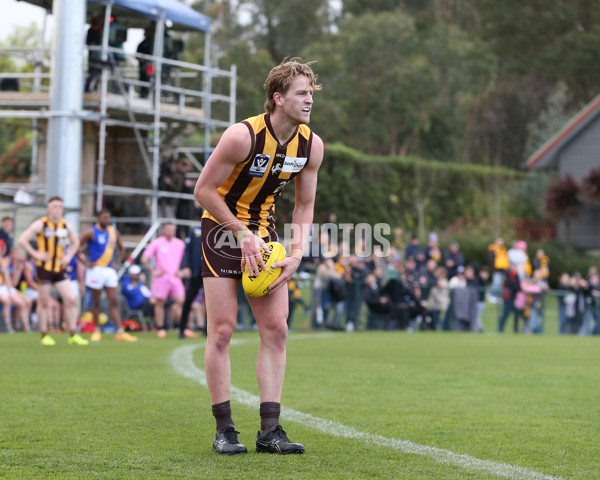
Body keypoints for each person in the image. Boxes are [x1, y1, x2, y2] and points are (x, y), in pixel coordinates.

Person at [194, 59, 323, 455]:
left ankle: (270, 431)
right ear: (277, 97)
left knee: (277, 330)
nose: (308, 101)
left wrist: (297, 255)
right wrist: (239, 232)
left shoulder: (310, 145)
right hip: (221, 229)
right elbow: (204, 190)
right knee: (223, 331)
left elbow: (304, 206)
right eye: (301, 93)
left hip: (264, 237)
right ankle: (224, 429)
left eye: (311, 94)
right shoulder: (241, 136)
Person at [17, 196, 89, 346]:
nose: (57, 209)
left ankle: (73, 333)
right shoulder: (41, 224)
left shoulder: (66, 226)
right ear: (49, 208)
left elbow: (76, 242)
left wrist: (68, 255)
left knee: (70, 299)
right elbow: (22, 240)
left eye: (60, 207)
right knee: (44, 302)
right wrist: (35, 254)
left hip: (60, 268)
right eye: (54, 206)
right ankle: (44, 334)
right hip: (44, 268)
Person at [78, 209, 137, 342]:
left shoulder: (113, 231)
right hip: (96, 269)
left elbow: (122, 248)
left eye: (108, 217)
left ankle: (119, 331)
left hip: (109, 270)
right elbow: (77, 246)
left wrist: (117, 263)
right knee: (96, 302)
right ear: (98, 218)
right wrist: (86, 263)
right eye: (104, 217)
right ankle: (96, 330)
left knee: (113, 300)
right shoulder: (91, 231)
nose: (107, 220)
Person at [141, 222, 186, 338]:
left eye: (173, 229)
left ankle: (180, 327)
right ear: (164, 230)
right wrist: (152, 270)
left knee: (180, 301)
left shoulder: (180, 244)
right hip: (162, 278)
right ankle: (161, 328)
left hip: (175, 277)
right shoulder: (157, 243)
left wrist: (183, 271)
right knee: (160, 302)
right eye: (169, 229)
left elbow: (186, 260)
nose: (171, 232)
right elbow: (145, 258)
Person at [178, 225, 203, 339]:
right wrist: (185, 266)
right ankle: (182, 328)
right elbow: (187, 250)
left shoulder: (219, 229)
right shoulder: (195, 230)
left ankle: (208, 329)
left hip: (212, 272)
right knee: (188, 299)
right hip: (196, 272)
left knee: (210, 302)